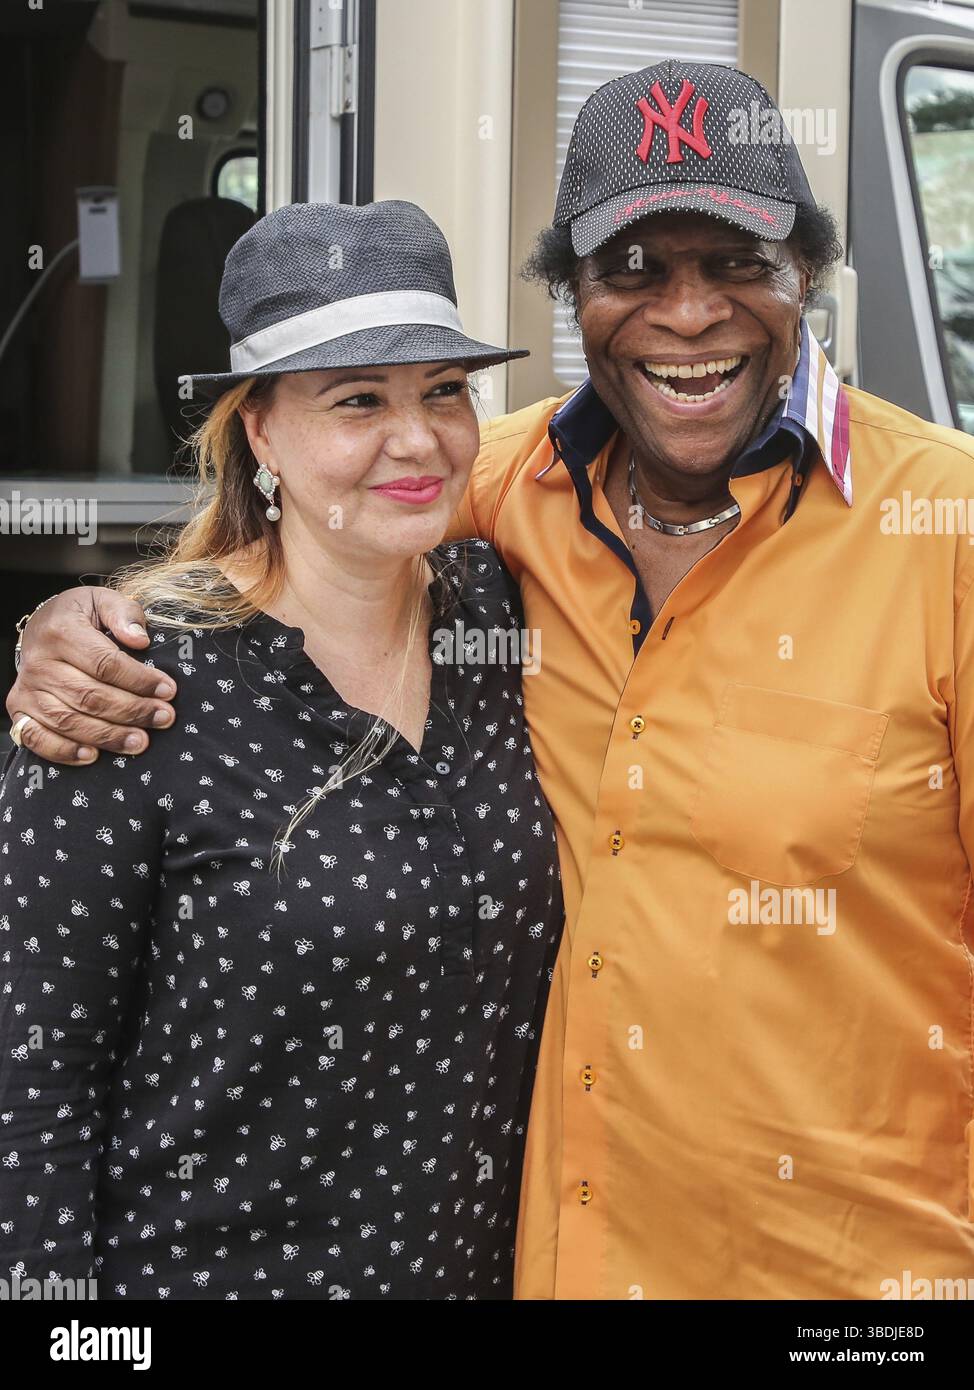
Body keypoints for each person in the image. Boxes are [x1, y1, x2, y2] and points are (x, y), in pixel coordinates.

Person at [10, 59, 974, 1300]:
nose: (686, 314)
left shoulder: (941, 531)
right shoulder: (497, 495)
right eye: (632, 267)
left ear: (807, 277)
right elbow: (305, 529)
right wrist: (76, 624)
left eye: (737, 260)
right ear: (573, 293)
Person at [0, 199, 563, 1301]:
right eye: (357, 400)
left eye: (443, 392)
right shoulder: (134, 685)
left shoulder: (504, 616)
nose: (416, 440)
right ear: (257, 430)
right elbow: (31, 1087)